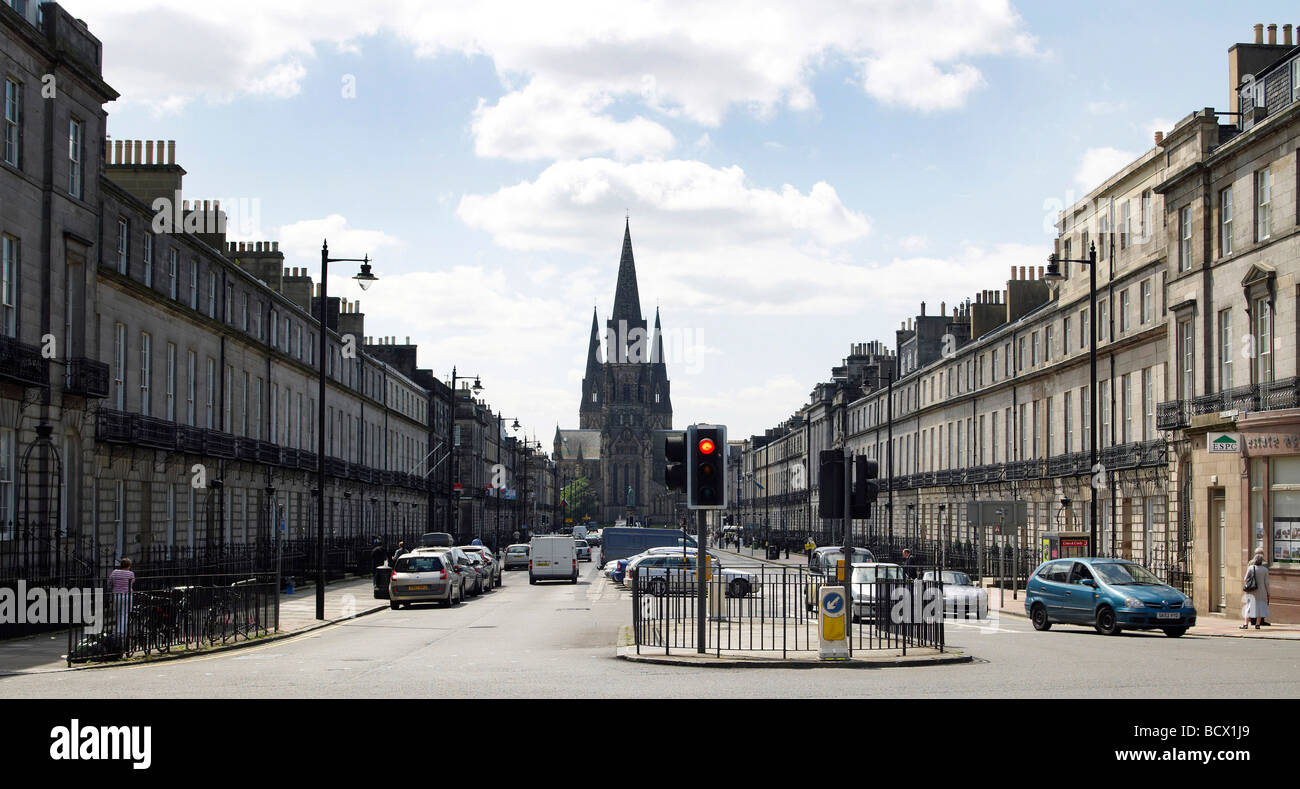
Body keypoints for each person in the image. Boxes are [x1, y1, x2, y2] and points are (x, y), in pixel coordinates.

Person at [1241, 548, 1270, 629]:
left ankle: (1246, 624)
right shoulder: (1265, 569)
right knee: (1260, 607)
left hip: (1251, 590)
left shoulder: (1250, 567)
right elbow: (1267, 583)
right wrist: (1268, 592)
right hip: (1262, 591)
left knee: (1249, 607)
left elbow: (1245, 579)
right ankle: (1258, 624)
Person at [108, 558, 135, 638]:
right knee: (125, 614)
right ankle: (121, 632)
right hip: (127, 595)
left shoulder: (115, 572)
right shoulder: (130, 574)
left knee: (118, 613)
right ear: (129, 566)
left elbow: (110, 581)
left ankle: (118, 630)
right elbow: (132, 582)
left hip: (117, 595)